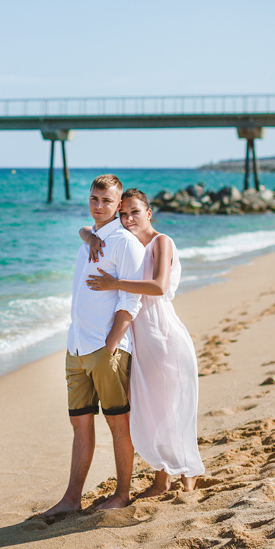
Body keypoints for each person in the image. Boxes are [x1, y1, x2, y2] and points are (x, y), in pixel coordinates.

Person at [82, 188, 204, 496]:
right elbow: (86, 227)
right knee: (148, 409)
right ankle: (172, 472)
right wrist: (90, 237)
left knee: (169, 407)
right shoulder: (128, 243)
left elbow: (159, 287)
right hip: (139, 336)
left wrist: (114, 283)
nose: (127, 218)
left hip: (162, 334)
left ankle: (172, 477)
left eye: (134, 212)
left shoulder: (162, 241)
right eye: (123, 214)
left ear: (149, 213)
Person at [42, 174, 146, 516]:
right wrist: (86, 234)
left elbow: (132, 300)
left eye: (106, 201)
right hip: (75, 347)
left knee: (118, 423)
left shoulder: (125, 242)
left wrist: (111, 344)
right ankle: (71, 499)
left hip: (105, 349)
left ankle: (122, 494)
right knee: (80, 423)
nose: (99, 206)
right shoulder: (91, 237)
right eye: (94, 199)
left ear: (119, 206)